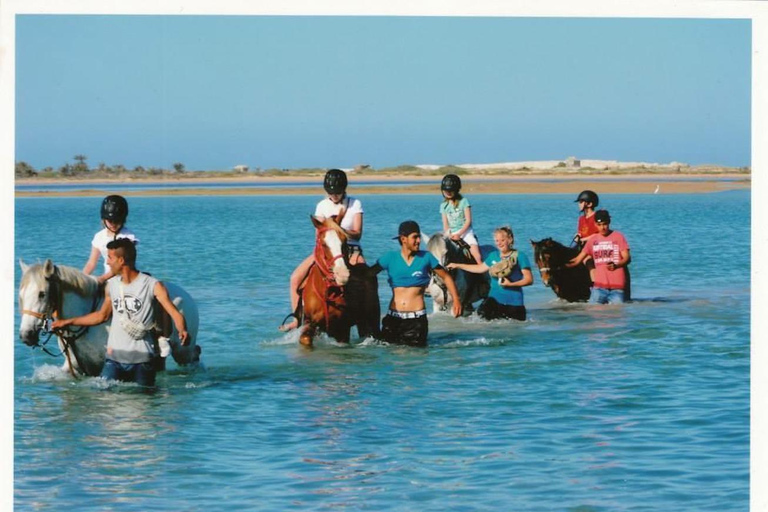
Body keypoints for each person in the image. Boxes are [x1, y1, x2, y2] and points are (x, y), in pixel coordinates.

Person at [52, 238, 189, 387]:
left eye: (110, 258)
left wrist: (183, 329)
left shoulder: (152, 285)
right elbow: (101, 316)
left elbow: (173, 312)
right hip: (114, 361)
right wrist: (67, 322)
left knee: (144, 399)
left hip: (142, 362)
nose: (107, 262)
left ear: (121, 260)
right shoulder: (111, 285)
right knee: (103, 395)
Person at [280, 169, 365, 332]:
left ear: (344, 189)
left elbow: (358, 233)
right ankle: (298, 318)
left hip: (351, 249)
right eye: (331, 193)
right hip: (327, 250)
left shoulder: (355, 204)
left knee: (366, 279)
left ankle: (365, 319)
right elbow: (318, 234)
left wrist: (339, 230)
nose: (334, 196)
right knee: (295, 278)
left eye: (337, 193)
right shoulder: (322, 206)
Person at [368, 220, 462, 347]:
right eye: (415, 237)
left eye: (419, 237)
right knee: (390, 356)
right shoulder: (390, 258)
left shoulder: (426, 257)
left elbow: (446, 277)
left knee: (416, 357)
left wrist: (456, 300)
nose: (419, 241)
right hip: (393, 319)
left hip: (416, 321)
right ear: (403, 239)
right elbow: (368, 274)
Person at [447, 226, 533, 321]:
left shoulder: (520, 256)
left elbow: (529, 280)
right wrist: (457, 265)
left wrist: (510, 284)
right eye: (497, 241)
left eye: (502, 240)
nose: (499, 243)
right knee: (480, 317)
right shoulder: (493, 256)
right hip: (494, 301)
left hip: (514, 303)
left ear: (510, 240)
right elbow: (479, 268)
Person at [566, 209, 631, 304]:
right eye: (599, 225)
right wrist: (560, 265)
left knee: (617, 313)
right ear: (595, 224)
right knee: (593, 312)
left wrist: (616, 265)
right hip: (599, 288)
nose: (602, 228)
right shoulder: (593, 240)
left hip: (617, 288)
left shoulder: (618, 237)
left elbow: (627, 258)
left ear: (609, 222)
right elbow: (577, 260)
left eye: (605, 224)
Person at [83, 195, 139, 284]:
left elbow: (122, 264)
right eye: (110, 221)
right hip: (108, 280)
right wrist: (82, 278)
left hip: (124, 278)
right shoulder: (99, 237)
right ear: (104, 220)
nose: (113, 224)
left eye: (116, 221)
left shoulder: (128, 237)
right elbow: (91, 263)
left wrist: (102, 278)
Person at [439, 174, 483, 265]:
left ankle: (481, 268)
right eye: (446, 190)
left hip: (465, 232)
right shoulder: (443, 206)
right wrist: (449, 235)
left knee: (476, 253)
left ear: (456, 190)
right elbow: (445, 224)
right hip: (451, 234)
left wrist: (459, 234)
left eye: (450, 190)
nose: (448, 192)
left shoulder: (464, 202)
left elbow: (468, 220)